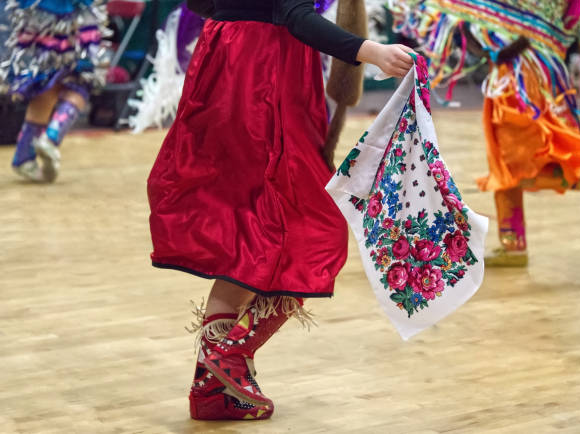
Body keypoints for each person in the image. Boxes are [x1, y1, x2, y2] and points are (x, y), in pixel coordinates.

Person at [147, 0, 416, 421]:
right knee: (314, 229)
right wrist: (371, 51)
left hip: (225, 65)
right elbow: (295, 14)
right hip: (264, 76)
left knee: (247, 230)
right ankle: (230, 351)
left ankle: (211, 392)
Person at [390, 0, 580, 267]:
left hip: (521, 80)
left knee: (520, 164)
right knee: (503, 165)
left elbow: (524, 29)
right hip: (517, 74)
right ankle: (513, 245)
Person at [1, 0, 109, 182]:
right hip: (73, 17)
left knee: (46, 80)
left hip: (37, 17)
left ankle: (24, 155)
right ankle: (51, 137)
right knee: (82, 80)